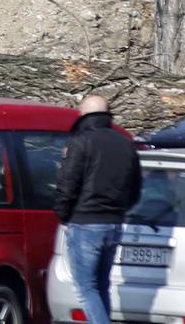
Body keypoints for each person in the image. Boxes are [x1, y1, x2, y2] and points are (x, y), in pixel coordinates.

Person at [54, 94, 142, 324]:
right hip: (114, 223)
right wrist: (119, 211)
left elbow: (67, 183)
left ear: (83, 115)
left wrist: (63, 215)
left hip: (85, 222)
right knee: (101, 285)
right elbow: (136, 188)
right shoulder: (125, 144)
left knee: (86, 289)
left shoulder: (80, 141)